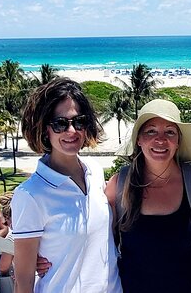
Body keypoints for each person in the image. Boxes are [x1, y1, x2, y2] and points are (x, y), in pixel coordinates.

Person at [12, 78, 121, 293]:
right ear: (45, 129)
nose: (71, 131)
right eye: (60, 123)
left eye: (79, 122)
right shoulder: (30, 195)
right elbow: (23, 280)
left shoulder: (94, 171)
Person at [105, 99, 191, 293]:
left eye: (170, 132)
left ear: (178, 141)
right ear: (138, 140)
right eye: (151, 131)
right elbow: (97, 241)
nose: (160, 140)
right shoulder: (119, 186)